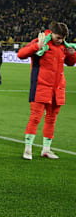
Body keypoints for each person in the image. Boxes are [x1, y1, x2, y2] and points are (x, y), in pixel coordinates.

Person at [17, 22, 76, 160]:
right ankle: (28, 148)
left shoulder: (63, 47)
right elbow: (21, 54)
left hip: (58, 89)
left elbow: (71, 63)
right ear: (52, 33)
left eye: (63, 38)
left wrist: (72, 55)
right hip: (40, 87)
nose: (60, 40)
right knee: (35, 118)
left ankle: (46, 149)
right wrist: (37, 47)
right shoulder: (40, 41)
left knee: (51, 119)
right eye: (58, 37)